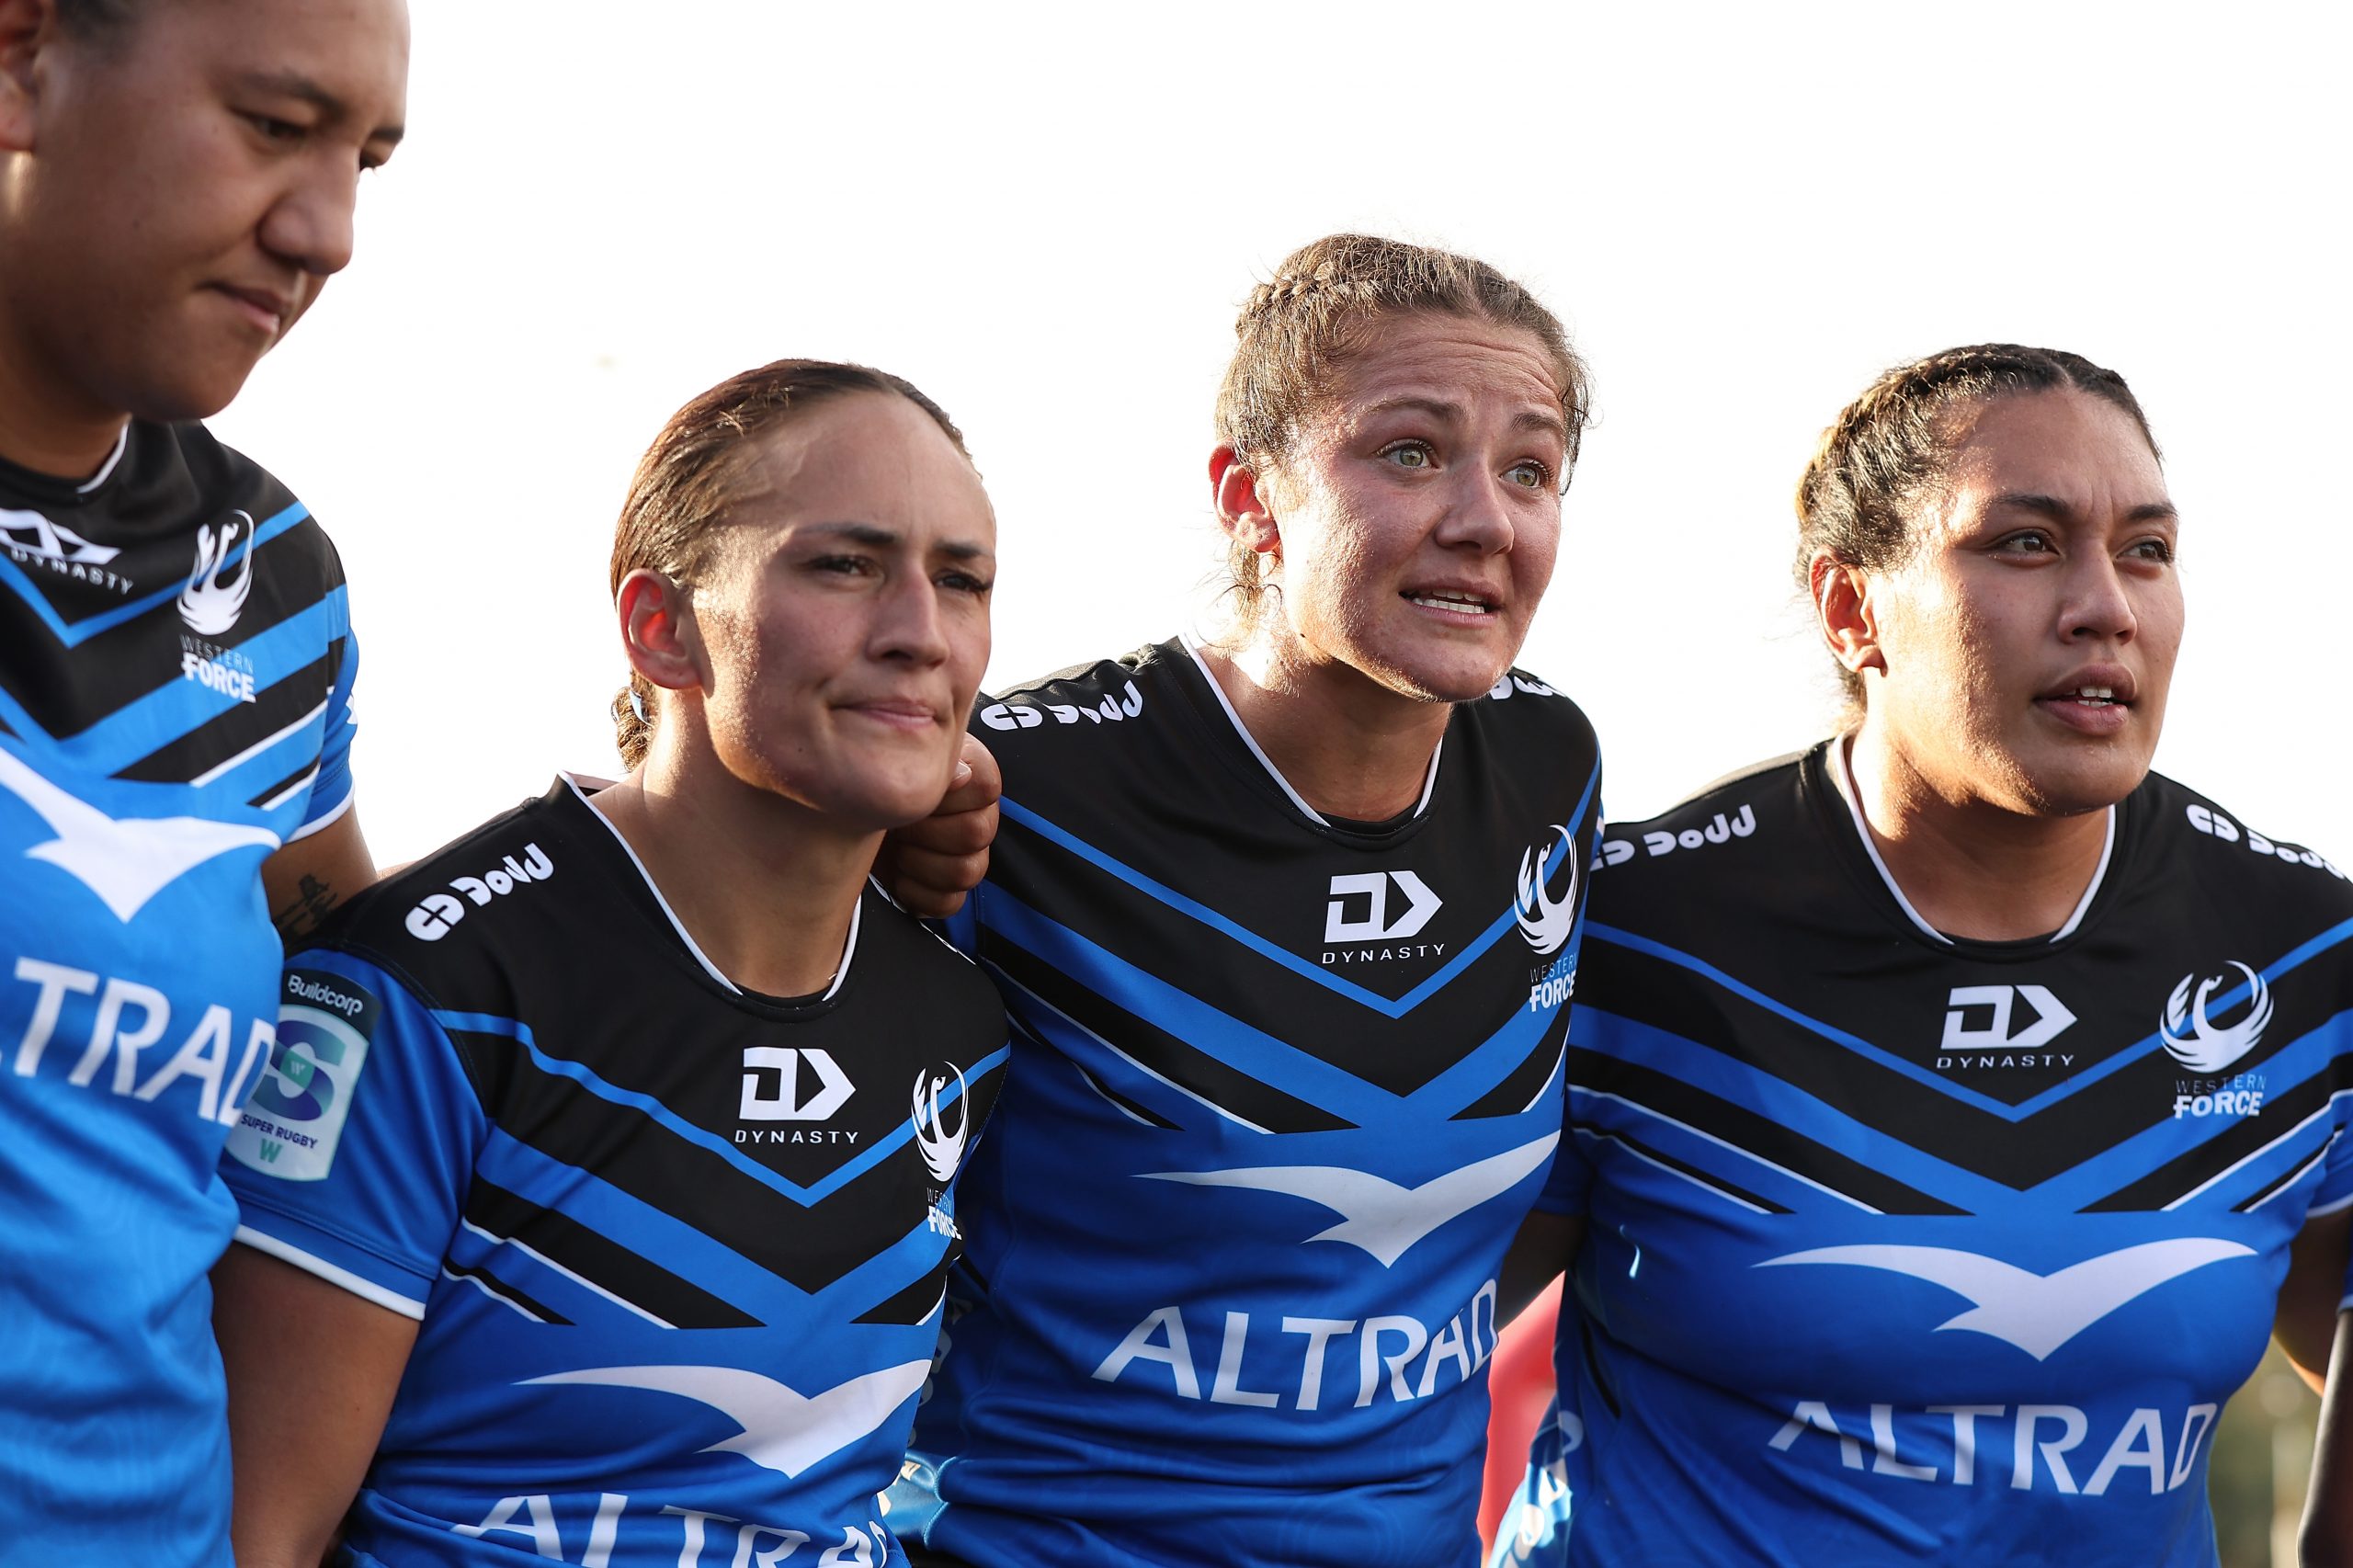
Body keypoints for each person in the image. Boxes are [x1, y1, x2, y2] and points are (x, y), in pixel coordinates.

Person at [1490, 345, 2353, 1567]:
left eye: (2146, 550)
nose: (2105, 602)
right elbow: (1381, 1331)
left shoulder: (2300, 953)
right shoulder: (1635, 938)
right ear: (1852, 609)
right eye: (2026, 542)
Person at [210, 360, 1012, 1566]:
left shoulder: (959, 1015)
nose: (919, 632)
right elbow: (252, 1536)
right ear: (661, 627)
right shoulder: (424, 995)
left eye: (962, 580)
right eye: (844, 565)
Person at [885, 234, 1604, 1568]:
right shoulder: (1009, 786)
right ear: (1249, 499)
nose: (1482, 518)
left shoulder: (1550, 765)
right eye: (1408, 452)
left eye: (1530, 468)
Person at [0, 0, 405, 1558]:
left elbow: (371, 1017)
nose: (331, 232)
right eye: (274, 123)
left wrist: (861, 863)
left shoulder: (279, 587)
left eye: (367, 158)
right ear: (24, 59)